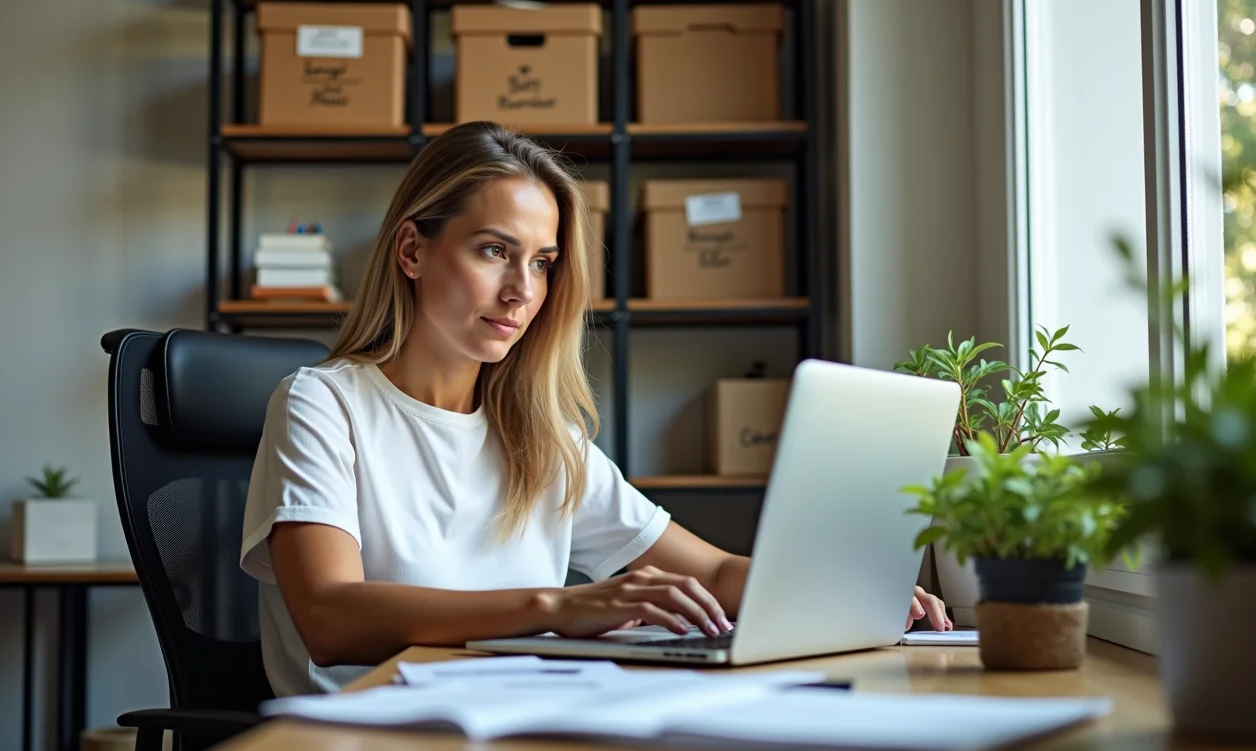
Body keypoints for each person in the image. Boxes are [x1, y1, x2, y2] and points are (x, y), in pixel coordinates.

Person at [238, 120, 951, 697]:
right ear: (412, 251)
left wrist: (851, 591)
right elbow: (330, 615)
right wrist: (555, 609)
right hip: (368, 731)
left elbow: (709, 573)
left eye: (543, 263)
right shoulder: (324, 403)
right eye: (494, 251)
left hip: (520, 716)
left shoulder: (540, 435)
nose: (523, 290)